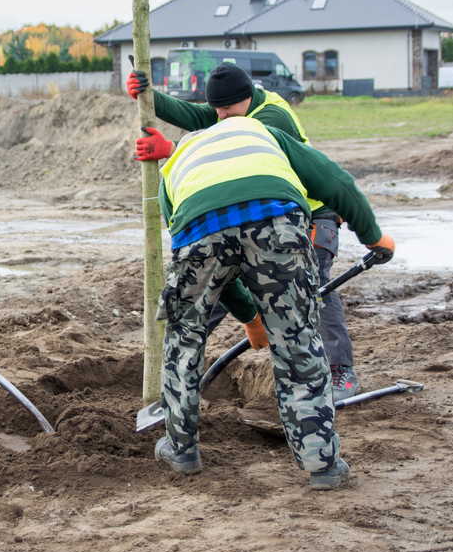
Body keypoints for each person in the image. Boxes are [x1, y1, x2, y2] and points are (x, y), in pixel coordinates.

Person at [134, 109, 394, 490]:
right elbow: (336, 182)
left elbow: (197, 252)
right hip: (275, 224)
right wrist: (373, 237)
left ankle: (182, 449)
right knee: (297, 341)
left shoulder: (177, 162)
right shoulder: (261, 132)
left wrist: (250, 318)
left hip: (200, 231)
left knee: (184, 337)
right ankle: (321, 465)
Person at [128, 65, 364, 402]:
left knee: (314, 288)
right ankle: (176, 370)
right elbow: (198, 116)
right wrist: (147, 95)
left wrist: (174, 152)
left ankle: (340, 372)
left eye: (226, 110)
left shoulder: (272, 119)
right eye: (217, 110)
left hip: (310, 217)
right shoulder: (236, 110)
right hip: (258, 218)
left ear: (247, 99)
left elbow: (224, 152)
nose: (220, 117)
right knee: (214, 283)